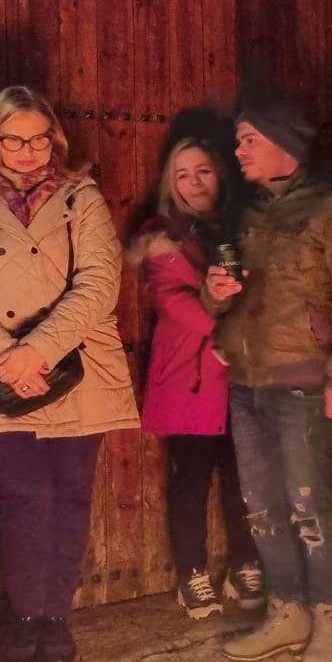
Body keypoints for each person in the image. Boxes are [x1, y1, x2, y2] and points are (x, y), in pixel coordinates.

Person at [0, 88, 139, 662]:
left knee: (72, 494)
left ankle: (57, 616)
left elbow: (99, 283)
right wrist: (7, 357)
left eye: (37, 138)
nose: (26, 151)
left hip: (79, 369)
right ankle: (26, 616)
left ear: (55, 139)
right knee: (23, 494)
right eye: (13, 138)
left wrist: (39, 351)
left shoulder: (82, 196)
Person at [204, 97, 332, 662]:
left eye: (248, 138)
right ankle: (288, 610)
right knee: (261, 507)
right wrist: (214, 294)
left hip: (305, 380)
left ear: (284, 142)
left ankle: (331, 613)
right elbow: (226, 297)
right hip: (248, 380)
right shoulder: (249, 211)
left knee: (308, 504)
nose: (239, 150)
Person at [127, 137, 260, 621]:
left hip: (238, 373)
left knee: (242, 476)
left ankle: (246, 563)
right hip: (191, 374)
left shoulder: (240, 227)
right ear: (171, 183)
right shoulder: (161, 233)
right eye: (183, 174)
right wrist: (229, 335)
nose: (194, 182)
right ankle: (192, 575)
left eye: (202, 171)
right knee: (191, 480)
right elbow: (173, 302)